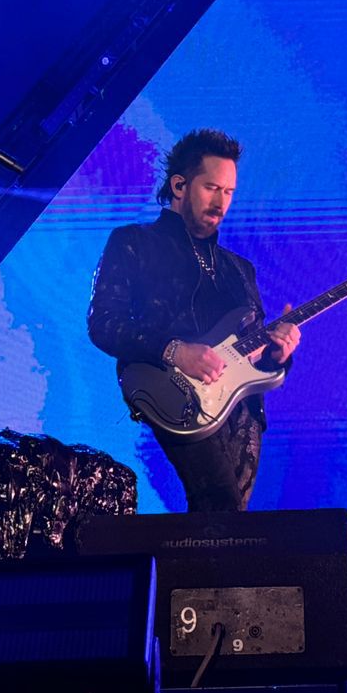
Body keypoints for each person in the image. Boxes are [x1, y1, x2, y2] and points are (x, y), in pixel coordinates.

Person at [88, 129, 299, 512]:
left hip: (242, 412)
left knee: (227, 525)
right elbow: (103, 322)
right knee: (220, 506)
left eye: (229, 192)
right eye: (211, 188)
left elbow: (255, 351)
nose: (221, 202)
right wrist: (175, 351)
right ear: (179, 185)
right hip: (173, 393)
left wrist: (279, 353)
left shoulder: (240, 269)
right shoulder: (133, 242)